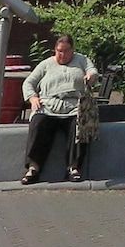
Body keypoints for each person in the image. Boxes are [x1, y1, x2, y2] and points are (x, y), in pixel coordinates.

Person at [19, 33, 97, 184]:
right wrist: (32, 97)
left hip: (73, 105)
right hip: (49, 105)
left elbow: (92, 71)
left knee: (79, 124)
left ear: (72, 50)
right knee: (38, 123)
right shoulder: (46, 64)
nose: (63, 54)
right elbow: (28, 83)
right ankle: (33, 168)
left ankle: (73, 168)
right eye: (59, 51)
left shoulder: (81, 60)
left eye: (66, 51)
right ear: (55, 50)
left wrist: (91, 76)